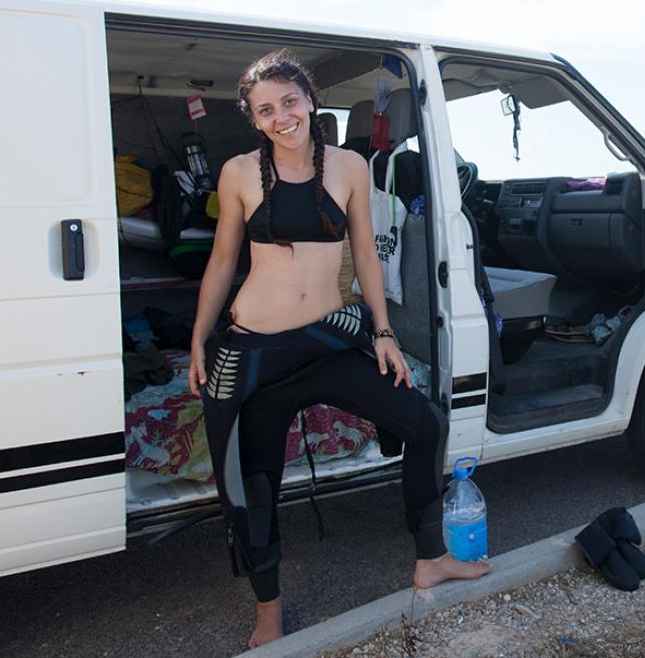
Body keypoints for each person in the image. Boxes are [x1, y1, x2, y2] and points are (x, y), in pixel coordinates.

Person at [188, 49, 492, 649]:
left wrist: (383, 332)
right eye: (266, 109)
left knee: (425, 423)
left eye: (291, 102)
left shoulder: (351, 167)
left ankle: (430, 558)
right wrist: (198, 340)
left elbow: (370, 260)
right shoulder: (239, 174)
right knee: (251, 485)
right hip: (258, 351)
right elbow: (223, 261)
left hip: (330, 338)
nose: (282, 117)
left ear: (310, 101)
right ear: (254, 118)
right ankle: (268, 610)